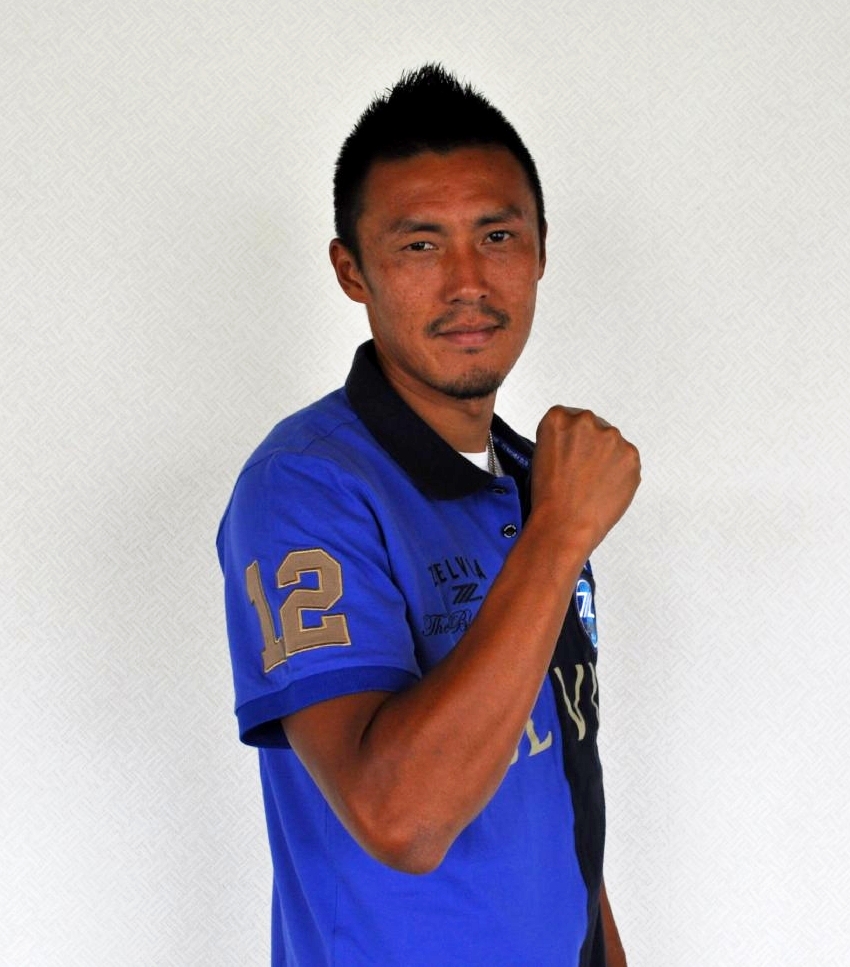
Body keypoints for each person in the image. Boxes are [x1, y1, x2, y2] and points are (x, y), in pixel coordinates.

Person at [217, 64, 640, 967]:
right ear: (352, 270)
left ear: (540, 248)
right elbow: (400, 819)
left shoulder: (533, 478)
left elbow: (560, 786)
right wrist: (559, 536)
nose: (467, 281)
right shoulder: (304, 488)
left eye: (497, 235)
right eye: (419, 245)